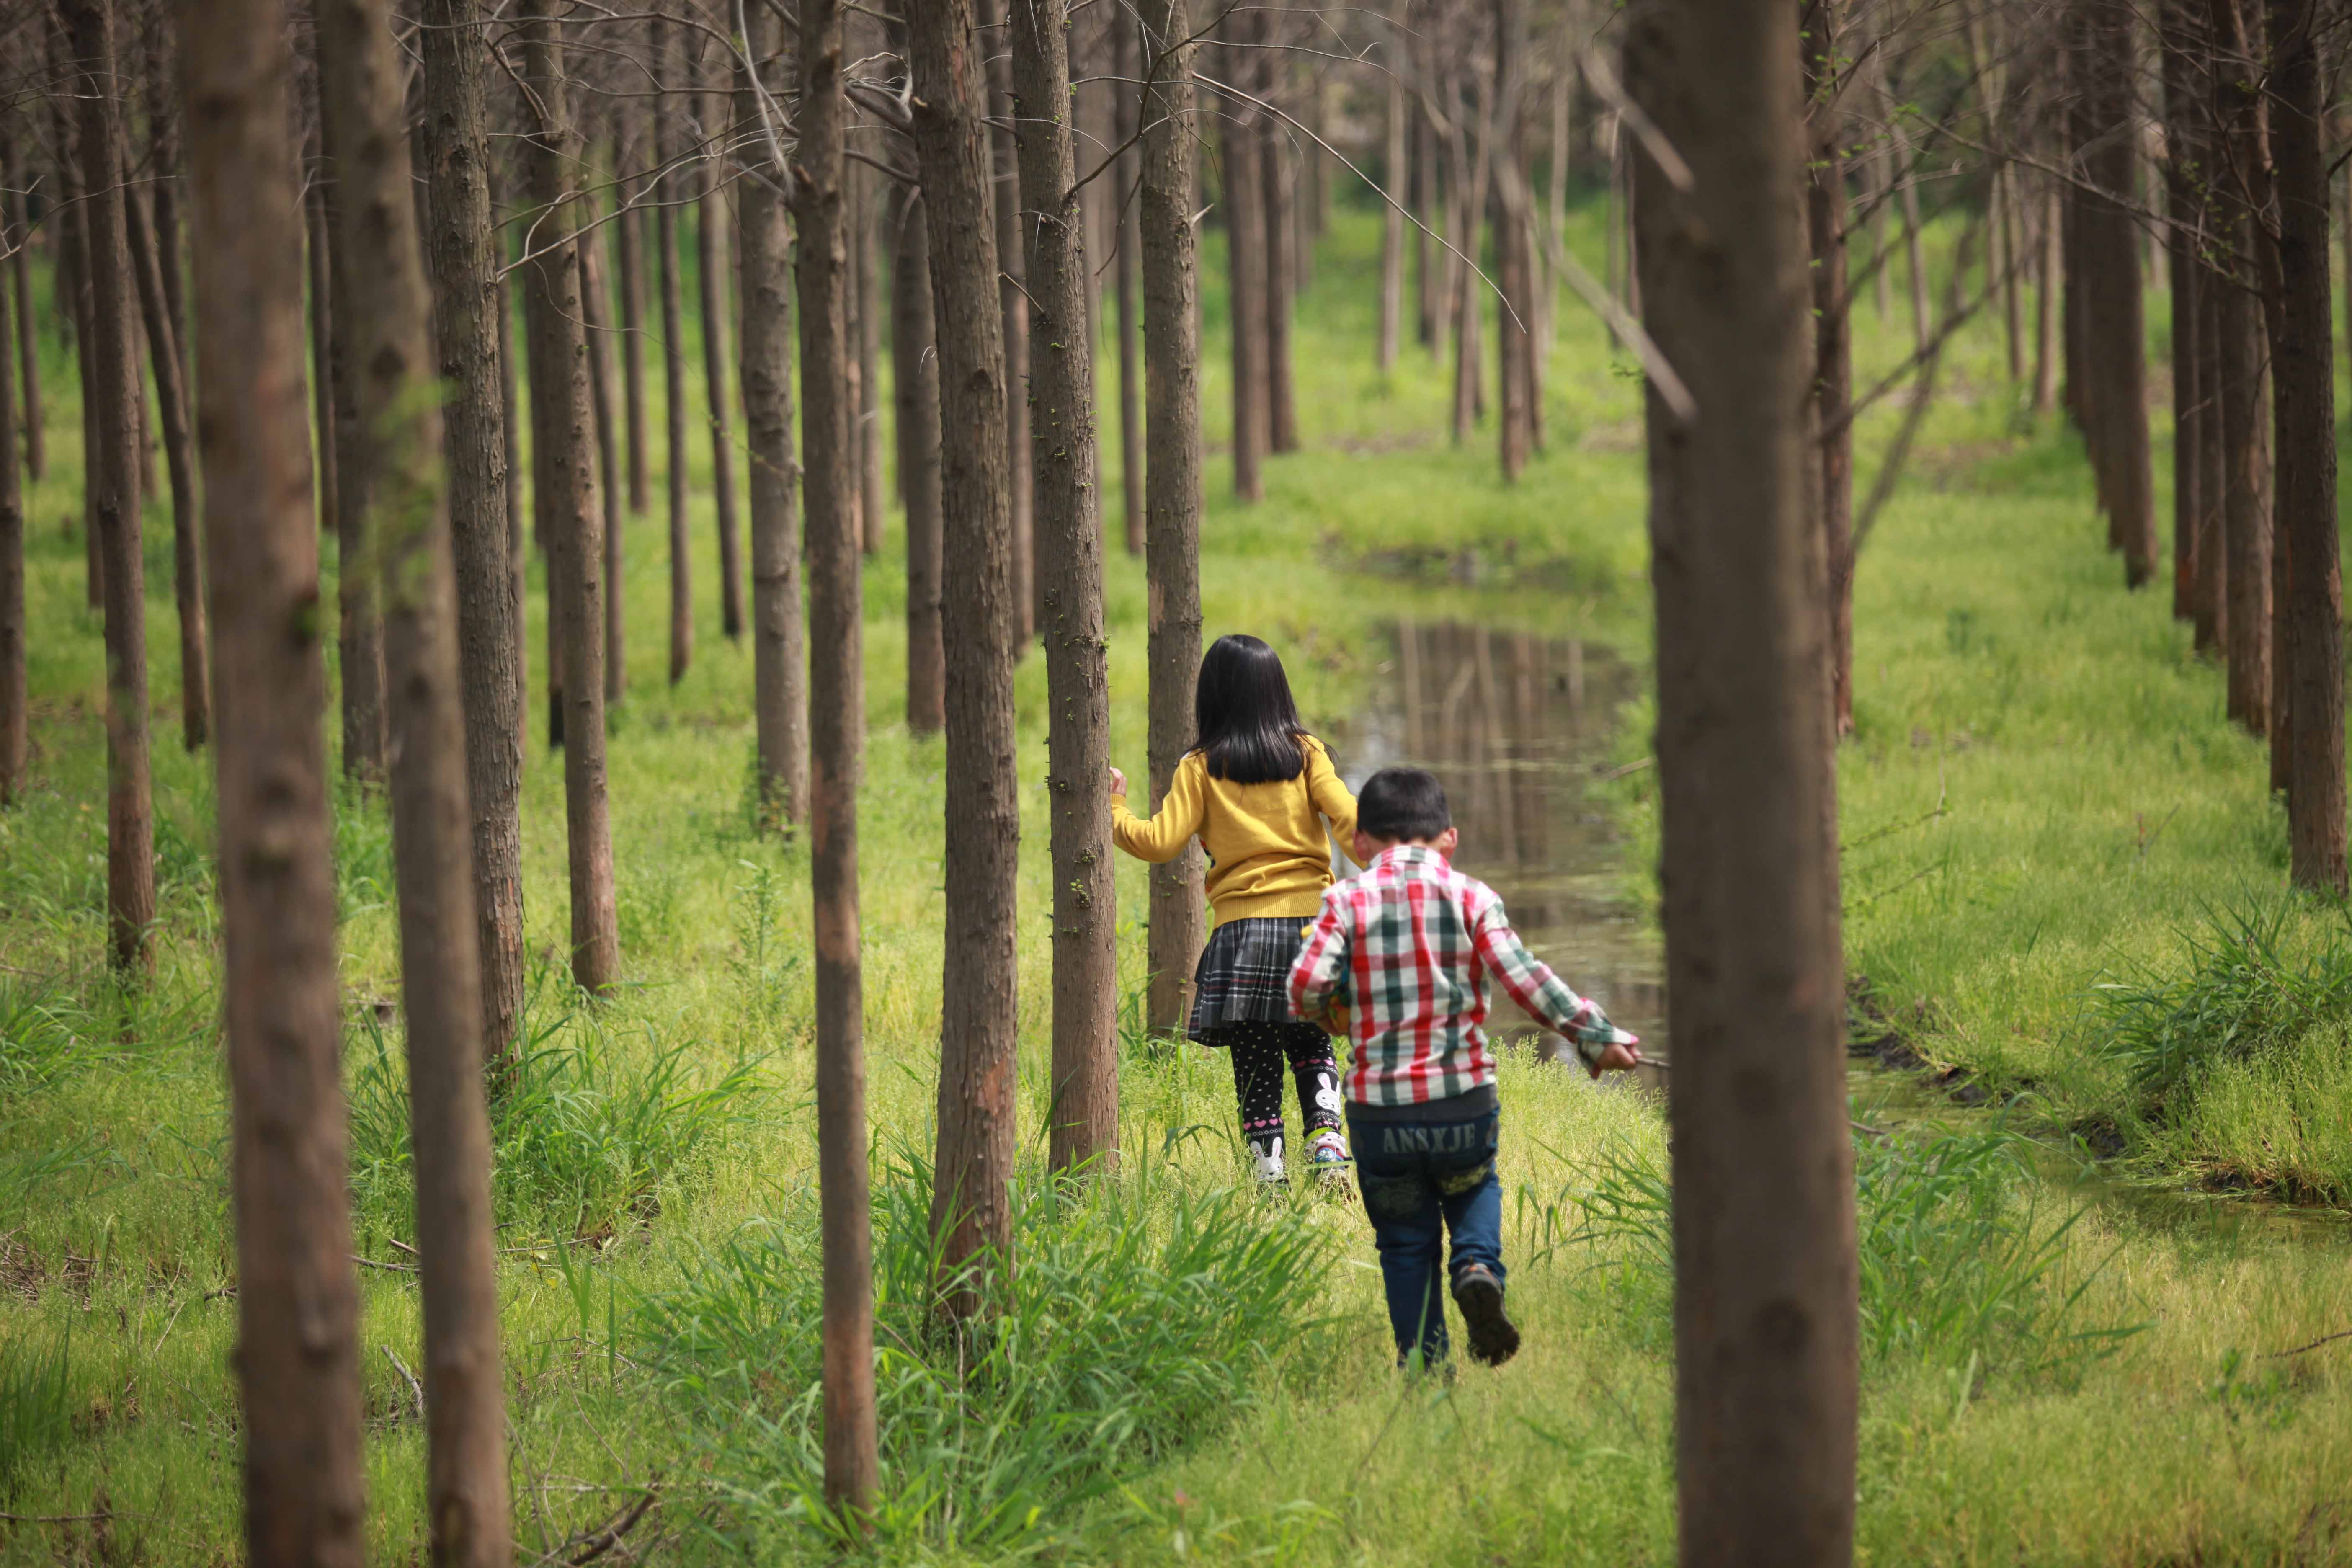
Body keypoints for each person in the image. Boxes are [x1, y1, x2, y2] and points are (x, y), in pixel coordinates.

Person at [1289, 766, 1642, 1370]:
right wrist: (1594, 1036)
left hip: (1381, 1112)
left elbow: (1305, 985)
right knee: (1475, 1185)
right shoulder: (1473, 897)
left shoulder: (1346, 901)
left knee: (1404, 1243)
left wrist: (1332, 1011)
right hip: (1463, 1103)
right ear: (1449, 839)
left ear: (1363, 842)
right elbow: (1527, 980)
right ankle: (1477, 1265)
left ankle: (1428, 1372)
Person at [1111, 634, 1360, 1186]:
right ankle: (1328, 1143)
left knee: (1255, 1057)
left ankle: (1269, 1175)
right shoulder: (1308, 752)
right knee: (1312, 1039)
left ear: (1212, 696)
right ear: (1278, 692)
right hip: (1314, 929)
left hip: (1242, 933)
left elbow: (1158, 842)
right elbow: (1350, 822)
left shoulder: (1199, 766)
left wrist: (1113, 806)